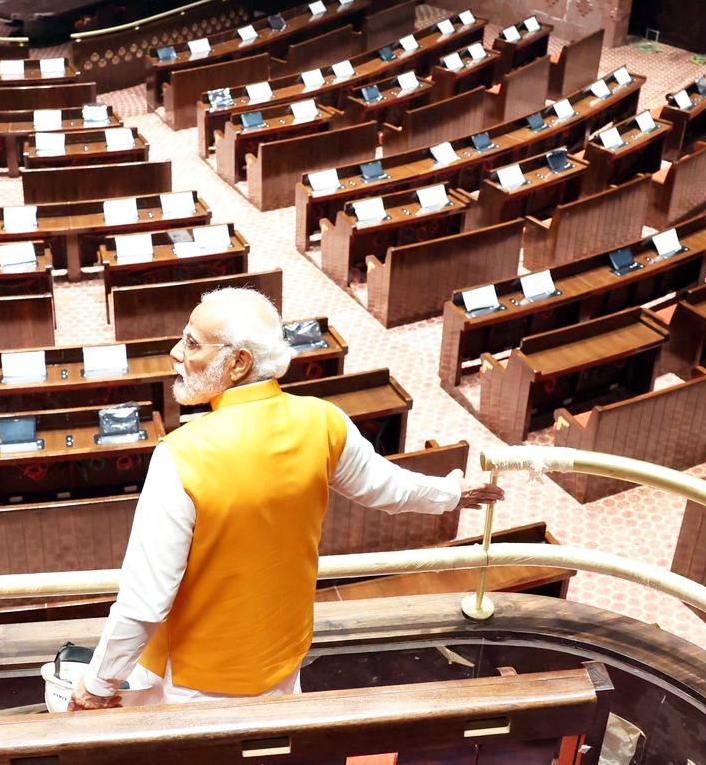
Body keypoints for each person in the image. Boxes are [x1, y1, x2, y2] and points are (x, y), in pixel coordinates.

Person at [67, 288, 505, 711]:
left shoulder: (179, 455)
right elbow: (388, 487)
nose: (176, 354)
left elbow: (144, 601)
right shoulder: (321, 420)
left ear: (238, 363)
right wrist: (451, 492)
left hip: (198, 682)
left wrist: (98, 683)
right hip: (285, 661)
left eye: (191, 343)